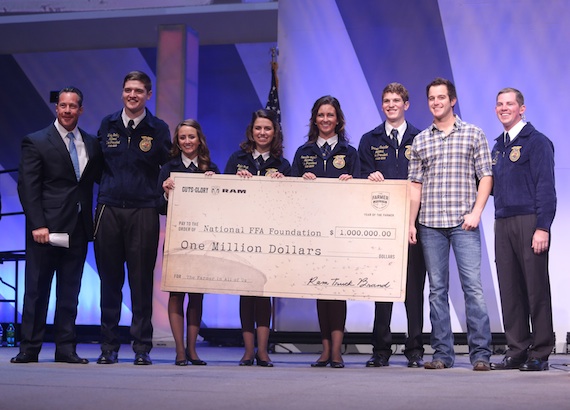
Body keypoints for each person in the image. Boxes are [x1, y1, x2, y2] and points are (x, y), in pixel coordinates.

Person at [408, 78, 493, 371]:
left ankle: (481, 354)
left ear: (452, 100)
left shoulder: (473, 134)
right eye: (431, 98)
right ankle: (443, 354)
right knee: (436, 290)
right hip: (430, 224)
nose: (436, 102)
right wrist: (411, 223)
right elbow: (415, 186)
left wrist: (477, 212)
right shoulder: (420, 140)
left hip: (464, 223)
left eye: (441, 97)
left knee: (473, 288)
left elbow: (486, 176)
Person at [12, 87, 102, 364]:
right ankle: (29, 347)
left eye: (72, 106)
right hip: (45, 230)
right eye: (62, 105)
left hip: (77, 227)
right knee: (37, 290)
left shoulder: (91, 142)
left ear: (80, 110)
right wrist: (37, 224)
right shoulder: (36, 141)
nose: (67, 110)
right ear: (56, 108)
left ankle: (65, 348)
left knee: (70, 292)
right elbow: (28, 186)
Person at [95, 71, 172, 365]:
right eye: (128, 90)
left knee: (141, 283)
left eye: (139, 91)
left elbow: (167, 167)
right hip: (110, 209)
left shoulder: (159, 128)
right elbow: (98, 166)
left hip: (143, 210)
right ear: (122, 93)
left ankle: (141, 347)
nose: (132, 95)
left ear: (148, 95)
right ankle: (108, 347)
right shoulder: (108, 124)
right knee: (109, 282)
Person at [358, 83, 426, 368]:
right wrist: (368, 177)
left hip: (415, 225)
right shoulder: (369, 139)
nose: (391, 104)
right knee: (381, 289)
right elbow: (358, 179)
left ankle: (415, 350)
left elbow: (427, 181)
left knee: (413, 290)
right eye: (386, 100)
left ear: (406, 105)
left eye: (396, 100)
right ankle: (381, 350)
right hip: (381, 226)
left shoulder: (421, 138)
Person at [291, 96, 360, 369]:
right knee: (321, 289)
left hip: (342, 231)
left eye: (330, 115)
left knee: (338, 289)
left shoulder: (350, 153)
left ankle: (337, 351)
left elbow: (361, 193)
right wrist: (301, 181)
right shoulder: (303, 153)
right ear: (315, 119)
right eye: (321, 115)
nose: (325, 119)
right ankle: (325, 349)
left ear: (338, 119)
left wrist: (352, 182)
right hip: (313, 231)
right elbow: (290, 193)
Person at [490, 88, 556, 371]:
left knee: (535, 288)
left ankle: (540, 351)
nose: (504, 108)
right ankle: (517, 348)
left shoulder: (537, 142)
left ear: (522, 108)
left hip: (529, 221)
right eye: (500, 104)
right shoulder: (497, 146)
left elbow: (546, 188)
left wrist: (543, 227)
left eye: (510, 104)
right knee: (510, 289)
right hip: (502, 222)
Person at [224, 109, 291, 367]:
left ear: (275, 133)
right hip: (241, 234)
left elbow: (291, 204)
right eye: (258, 128)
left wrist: (283, 183)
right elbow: (223, 195)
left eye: (267, 129)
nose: (262, 133)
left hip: (270, 237)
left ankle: (263, 351)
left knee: (265, 293)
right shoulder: (236, 159)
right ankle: (247, 350)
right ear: (251, 132)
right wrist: (236, 182)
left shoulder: (283, 164)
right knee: (246, 292)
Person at [159, 119, 219, 366]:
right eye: (182, 137)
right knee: (176, 294)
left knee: (196, 297)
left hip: (202, 241)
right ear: (177, 141)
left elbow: (220, 208)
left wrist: (215, 185)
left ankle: (193, 350)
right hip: (177, 239)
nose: (187, 141)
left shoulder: (210, 167)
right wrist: (165, 191)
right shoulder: (168, 168)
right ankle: (180, 351)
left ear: (199, 139)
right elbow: (160, 207)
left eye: (191, 137)